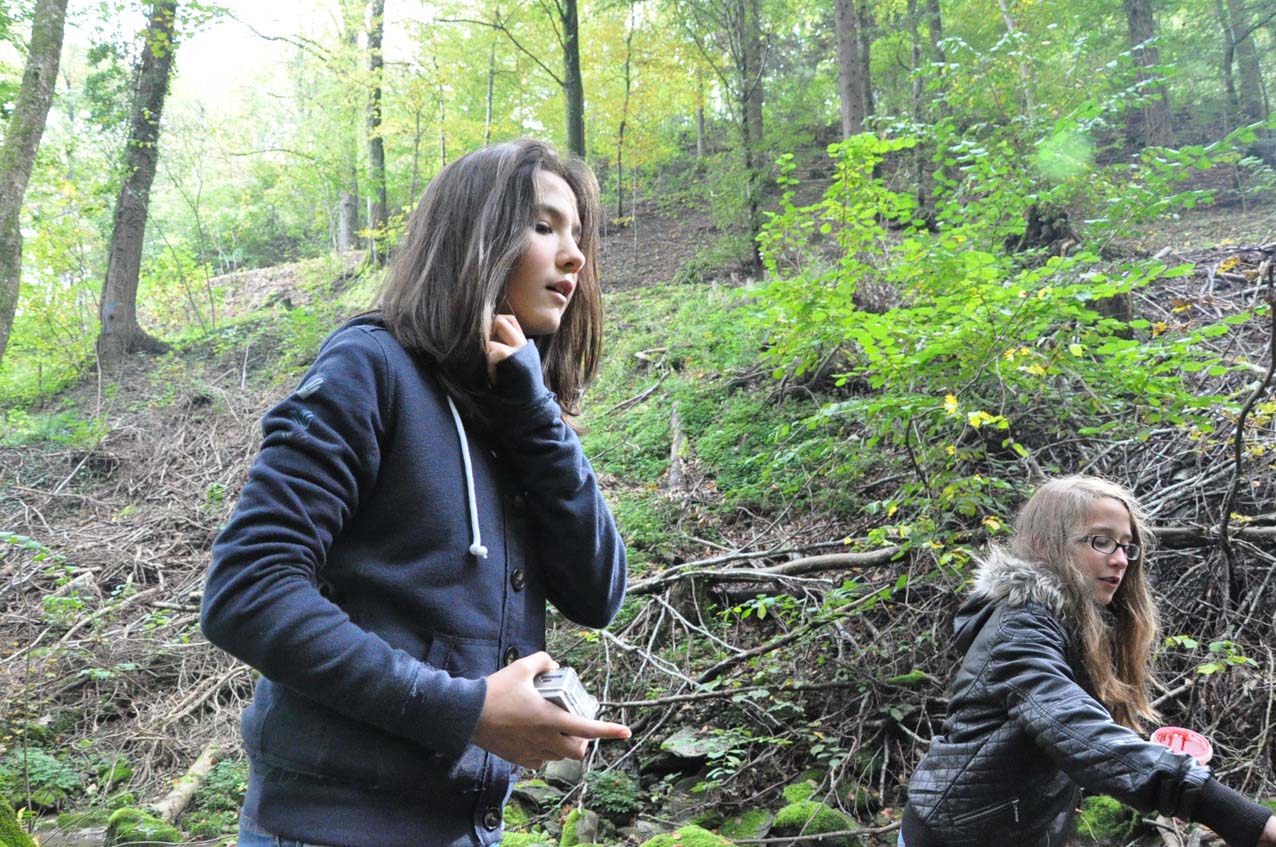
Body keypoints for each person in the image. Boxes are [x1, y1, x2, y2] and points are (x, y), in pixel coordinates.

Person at [200, 139, 631, 847]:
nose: (575, 256)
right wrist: (465, 709)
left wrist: (535, 417)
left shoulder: (513, 409)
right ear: (476, 236)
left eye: (578, 235)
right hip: (325, 832)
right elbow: (248, 588)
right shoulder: (369, 367)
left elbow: (598, 592)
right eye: (544, 226)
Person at [902, 475, 1276, 847]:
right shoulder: (1019, 630)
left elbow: (1071, 736)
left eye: (1126, 546)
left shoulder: (1068, 622)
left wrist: (1152, 758)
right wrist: (1234, 815)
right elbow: (1077, 729)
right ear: (1042, 544)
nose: (1120, 560)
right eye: (1101, 541)